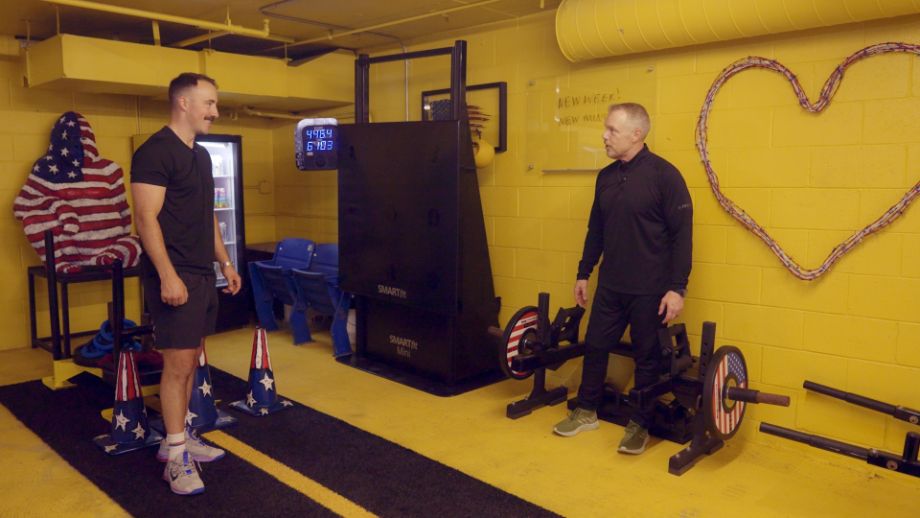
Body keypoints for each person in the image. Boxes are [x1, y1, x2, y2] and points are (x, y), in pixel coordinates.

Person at [553, 102, 692, 455]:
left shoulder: (665, 176)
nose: (604, 136)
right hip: (611, 285)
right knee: (596, 345)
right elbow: (595, 229)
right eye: (606, 128)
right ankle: (586, 410)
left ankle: (640, 424)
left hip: (650, 289)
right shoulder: (606, 177)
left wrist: (677, 289)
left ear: (637, 134)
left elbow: (683, 236)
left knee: (647, 358)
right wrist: (584, 272)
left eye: (612, 130)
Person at [131, 72, 242, 495]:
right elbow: (146, 220)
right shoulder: (155, 152)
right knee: (176, 367)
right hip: (174, 273)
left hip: (200, 273)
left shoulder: (201, 155)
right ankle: (175, 457)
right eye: (209, 103)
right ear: (183, 103)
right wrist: (167, 275)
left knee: (191, 359)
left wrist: (225, 263)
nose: (215, 111)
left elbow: (207, 215)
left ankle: (179, 439)